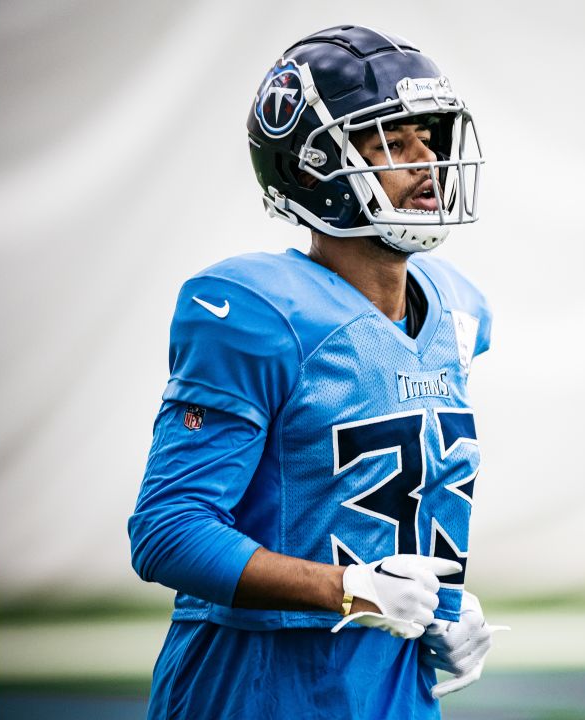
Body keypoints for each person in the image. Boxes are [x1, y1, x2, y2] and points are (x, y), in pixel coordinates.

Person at [128, 25, 499, 719]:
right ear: (309, 166)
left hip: (391, 688)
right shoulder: (255, 311)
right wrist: (350, 592)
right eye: (393, 140)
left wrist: (443, 608)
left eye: (430, 136)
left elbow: (402, 511)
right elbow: (168, 531)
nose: (427, 160)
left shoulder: (458, 312)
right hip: (257, 690)